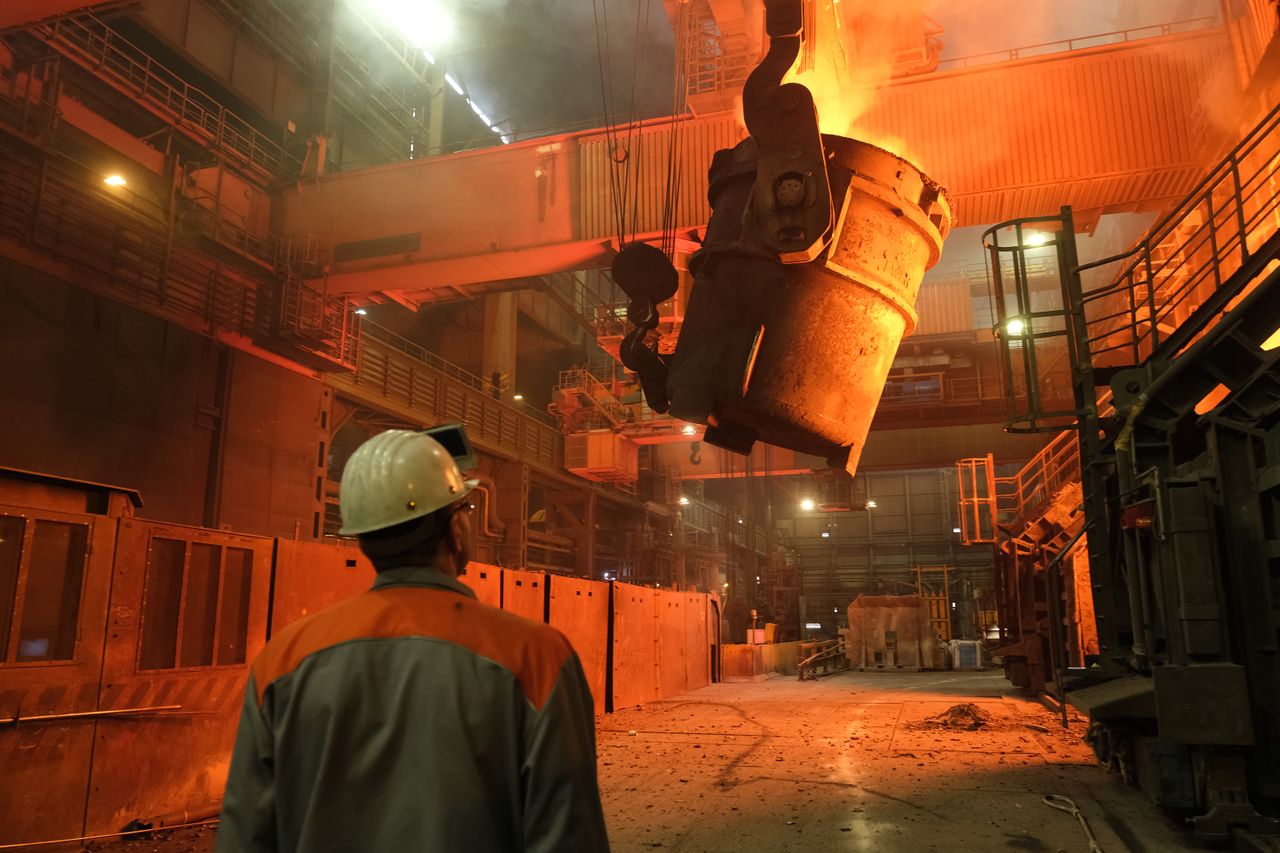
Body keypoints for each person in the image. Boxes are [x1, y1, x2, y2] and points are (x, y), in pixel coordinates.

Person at [217, 429, 610, 852]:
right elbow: (568, 836)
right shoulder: (536, 656)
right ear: (456, 530)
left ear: (364, 537)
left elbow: (246, 836)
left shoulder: (282, 660)